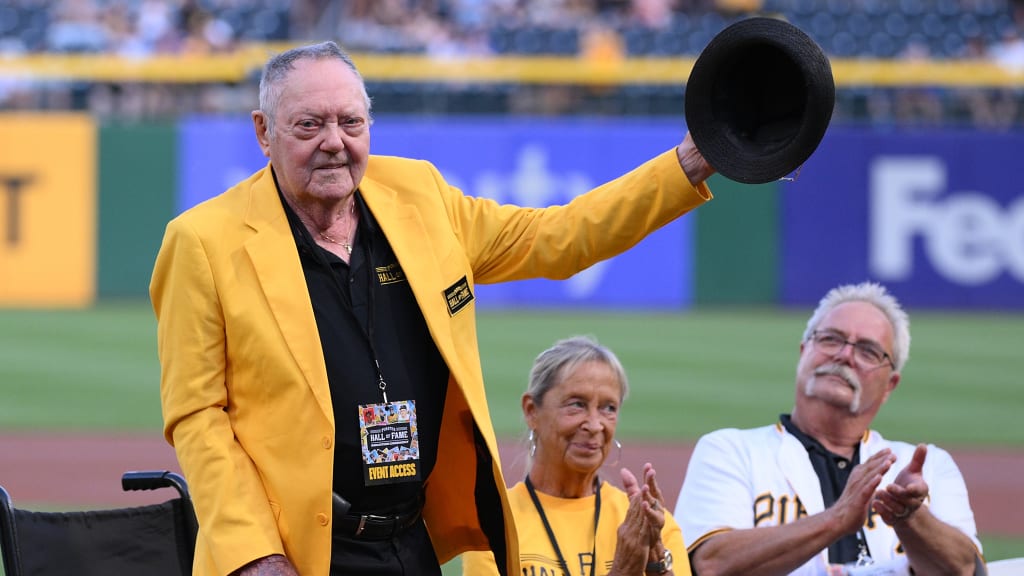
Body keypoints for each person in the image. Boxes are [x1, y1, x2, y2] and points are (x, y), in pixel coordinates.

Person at [150, 41, 716, 576]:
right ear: (263, 133)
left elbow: (561, 237)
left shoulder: (419, 194)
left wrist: (690, 162)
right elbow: (198, 415)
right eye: (309, 124)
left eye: (351, 122)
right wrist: (254, 554)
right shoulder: (203, 241)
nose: (334, 141)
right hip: (295, 552)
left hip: (409, 543)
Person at [673, 282, 984, 576]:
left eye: (868, 351)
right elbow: (710, 566)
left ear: (890, 384)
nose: (844, 355)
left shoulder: (927, 467)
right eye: (831, 339)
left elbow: (968, 570)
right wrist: (835, 519)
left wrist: (911, 518)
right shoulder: (730, 450)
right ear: (803, 352)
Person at [462, 336, 688, 576]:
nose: (594, 425)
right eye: (577, 404)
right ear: (531, 411)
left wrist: (657, 568)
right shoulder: (494, 524)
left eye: (608, 408)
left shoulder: (647, 524)